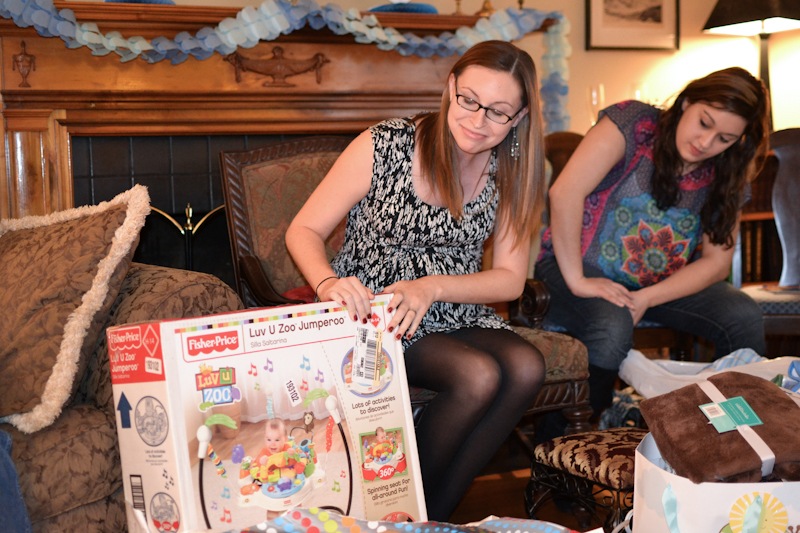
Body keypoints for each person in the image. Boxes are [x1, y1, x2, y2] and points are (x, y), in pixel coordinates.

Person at [286, 40, 547, 520]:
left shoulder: (512, 168)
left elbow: (510, 280)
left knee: (527, 366)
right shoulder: (386, 144)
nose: (477, 120)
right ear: (450, 86)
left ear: (520, 116)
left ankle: (429, 519)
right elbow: (303, 229)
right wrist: (327, 283)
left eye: (498, 112)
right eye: (469, 100)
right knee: (477, 374)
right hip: (376, 312)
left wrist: (433, 286)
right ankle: (398, 513)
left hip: (452, 306)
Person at [535, 67, 770, 421]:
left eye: (724, 138)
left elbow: (716, 262)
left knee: (743, 315)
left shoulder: (729, 170)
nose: (706, 142)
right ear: (687, 102)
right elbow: (565, 192)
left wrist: (646, 298)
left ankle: (737, 431)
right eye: (704, 122)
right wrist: (579, 281)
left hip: (655, 285)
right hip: (571, 266)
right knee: (612, 324)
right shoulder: (632, 123)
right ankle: (570, 444)